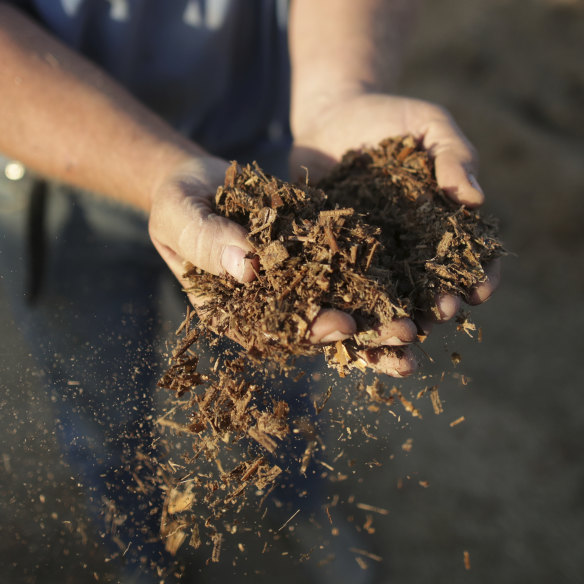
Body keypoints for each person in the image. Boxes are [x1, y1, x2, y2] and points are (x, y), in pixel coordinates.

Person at [0, 1, 500, 581]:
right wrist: (159, 167)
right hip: (63, 158)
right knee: (101, 407)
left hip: (272, 151)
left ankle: (300, 503)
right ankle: (138, 550)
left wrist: (338, 93)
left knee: (281, 379)